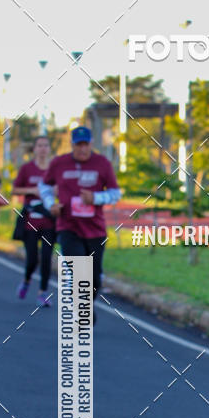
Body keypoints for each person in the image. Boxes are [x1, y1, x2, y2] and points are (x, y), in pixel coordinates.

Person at [39, 126, 121, 320]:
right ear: (72, 144)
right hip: (68, 226)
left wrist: (96, 198)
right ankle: (82, 313)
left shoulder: (102, 163)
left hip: (96, 230)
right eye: (78, 145)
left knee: (94, 279)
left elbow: (115, 193)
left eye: (86, 144)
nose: (82, 149)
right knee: (78, 271)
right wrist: (51, 204)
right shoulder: (60, 163)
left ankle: (86, 305)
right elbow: (44, 186)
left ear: (91, 143)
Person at [12, 136, 56, 306]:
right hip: (30, 221)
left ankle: (42, 293)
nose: (43, 149)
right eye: (40, 145)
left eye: (46, 145)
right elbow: (15, 189)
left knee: (46, 257)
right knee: (32, 259)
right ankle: (26, 280)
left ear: (49, 148)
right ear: (34, 148)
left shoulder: (54, 169)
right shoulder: (26, 169)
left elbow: (62, 188)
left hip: (49, 221)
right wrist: (32, 190)